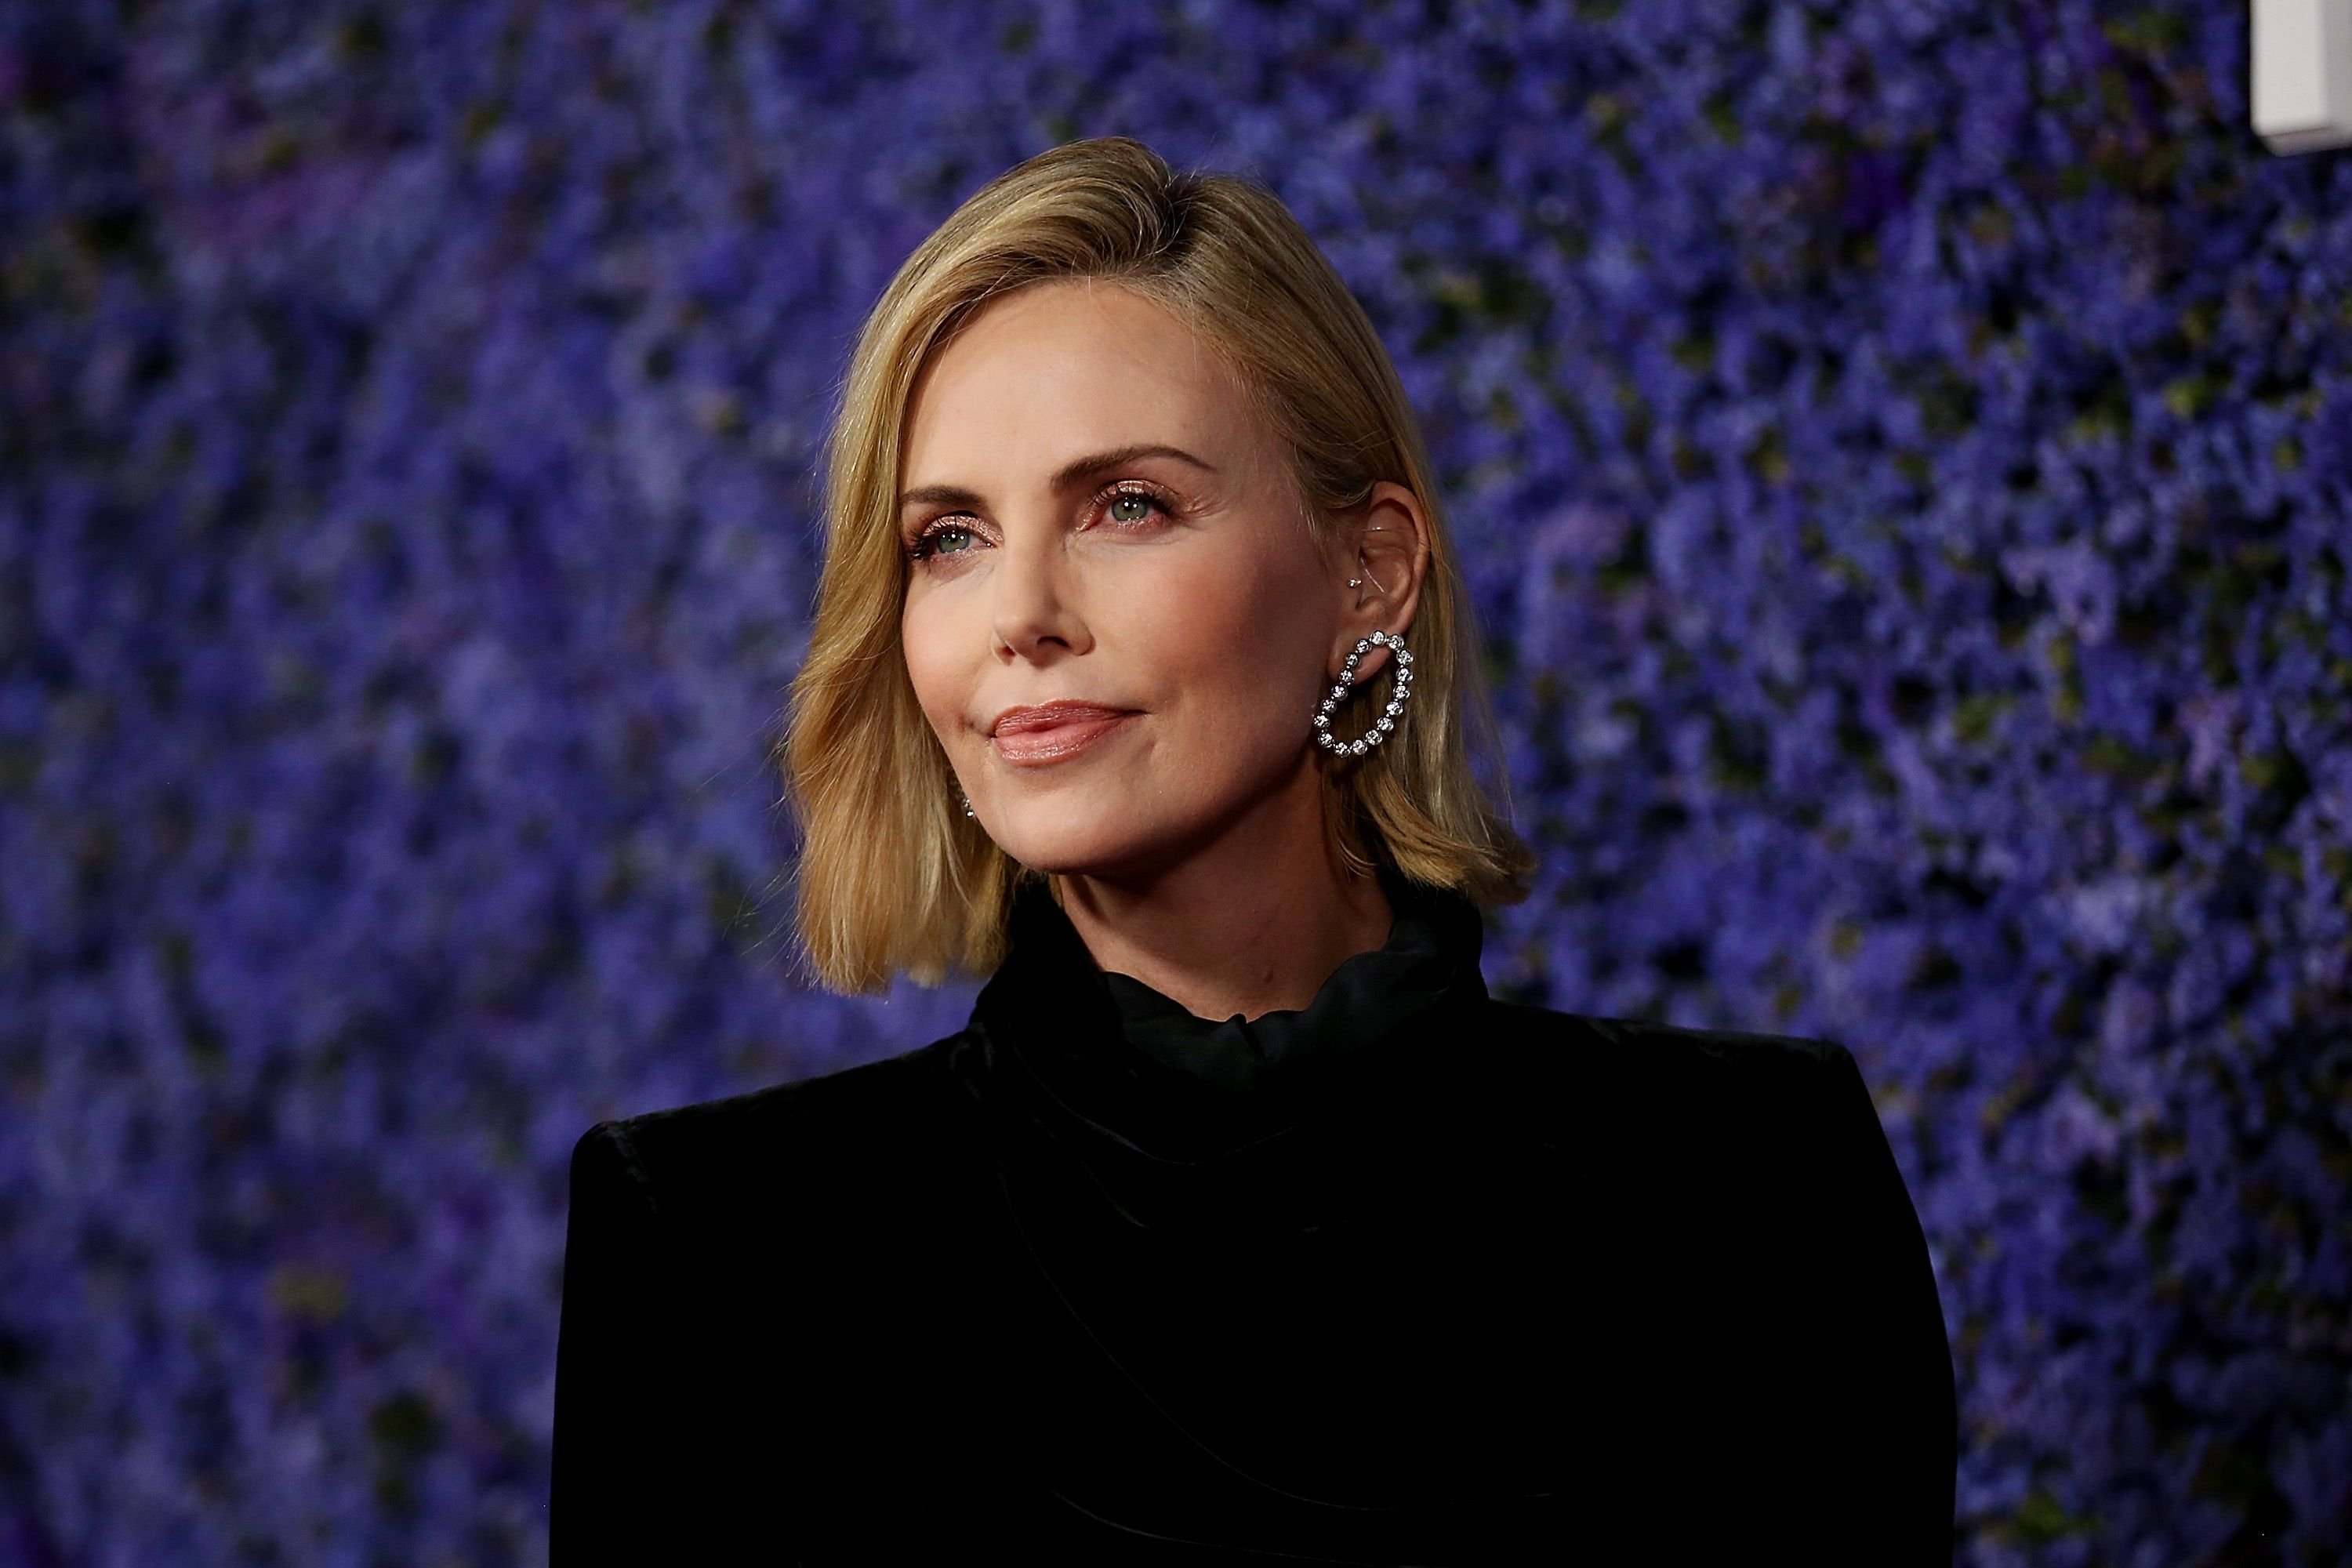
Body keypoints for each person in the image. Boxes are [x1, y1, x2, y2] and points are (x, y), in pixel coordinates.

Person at [548, 136, 1957, 1564]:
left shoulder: (1756, 1184)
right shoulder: (721, 1251)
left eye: (1127, 506)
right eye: (950, 538)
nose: (1019, 613)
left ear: (1370, 572)